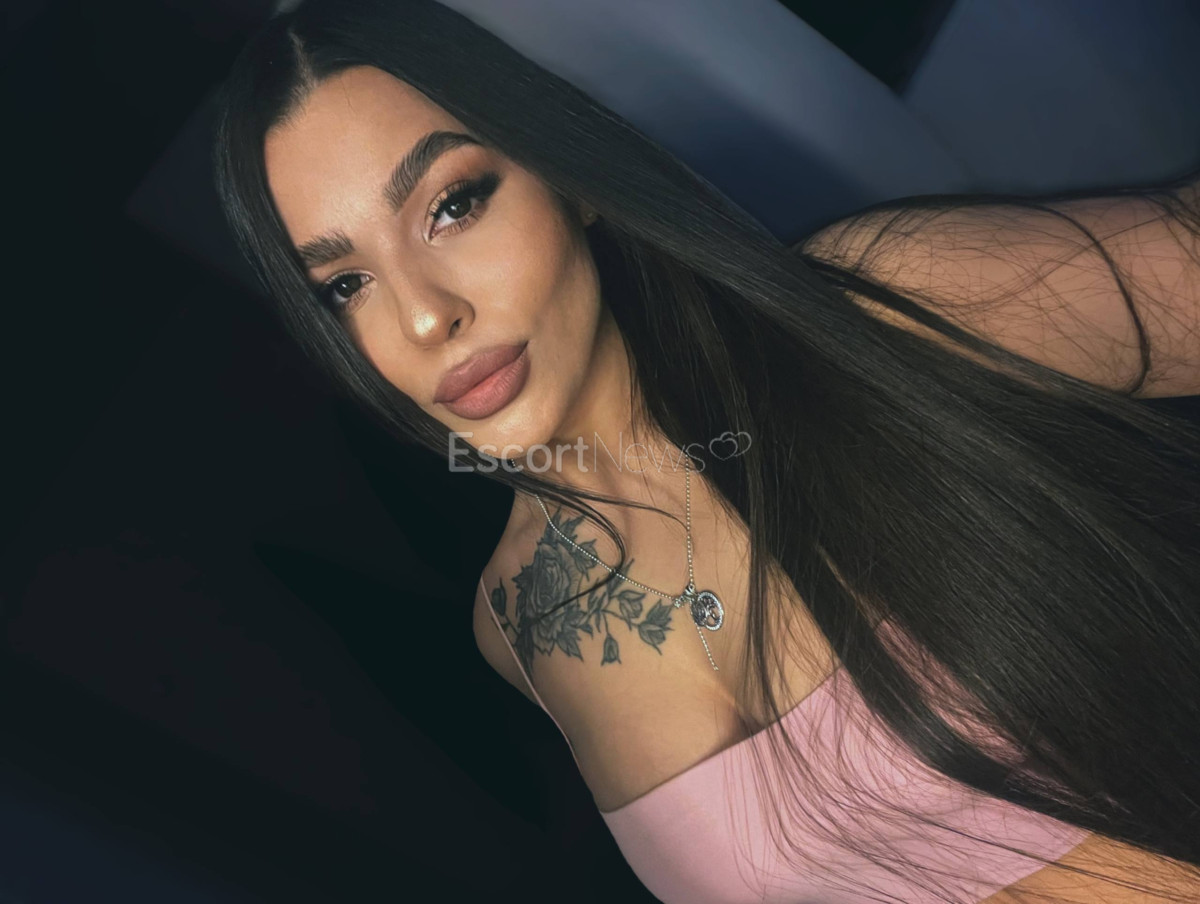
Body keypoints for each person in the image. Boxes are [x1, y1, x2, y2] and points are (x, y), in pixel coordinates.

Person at [213, 1, 1200, 901]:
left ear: (566, 175)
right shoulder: (512, 628)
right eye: (344, 286)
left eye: (452, 204)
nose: (426, 316)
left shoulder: (878, 321)